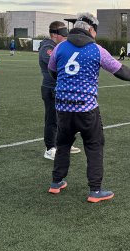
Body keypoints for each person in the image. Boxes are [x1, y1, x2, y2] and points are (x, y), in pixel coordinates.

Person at [47, 13, 130, 203]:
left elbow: (52, 70)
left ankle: (56, 182)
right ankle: (95, 190)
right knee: (94, 146)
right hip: (87, 109)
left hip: (63, 107)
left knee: (63, 144)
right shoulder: (97, 50)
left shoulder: (60, 47)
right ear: (90, 30)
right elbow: (119, 70)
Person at [38, 21, 81, 160]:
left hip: (61, 88)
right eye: (63, 34)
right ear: (55, 34)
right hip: (51, 87)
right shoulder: (48, 47)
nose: (66, 37)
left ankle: (65, 144)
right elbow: (54, 61)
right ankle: (50, 148)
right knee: (52, 119)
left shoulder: (59, 47)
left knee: (65, 119)